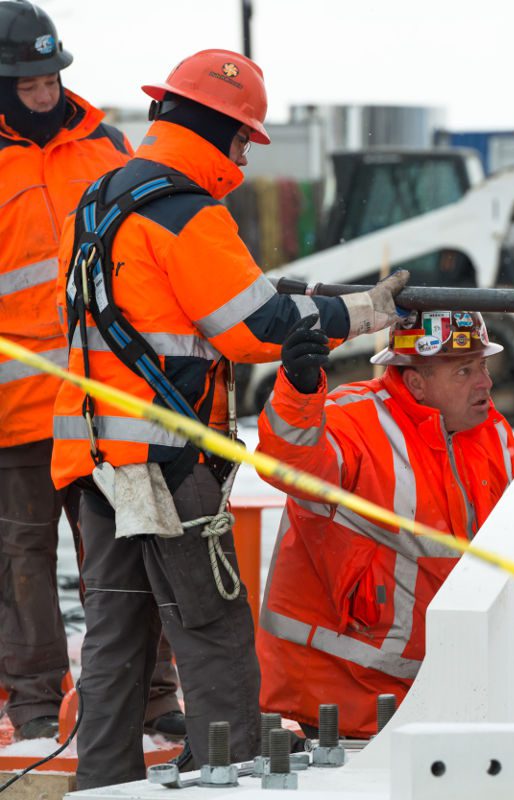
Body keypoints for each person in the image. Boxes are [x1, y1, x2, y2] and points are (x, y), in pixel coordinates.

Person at [49, 49, 409, 788]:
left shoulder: (97, 200)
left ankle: (102, 786)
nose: (246, 154)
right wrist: (363, 312)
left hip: (94, 464)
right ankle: (232, 777)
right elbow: (257, 326)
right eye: (245, 138)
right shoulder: (190, 214)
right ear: (216, 128)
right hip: (168, 469)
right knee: (210, 633)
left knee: (115, 643)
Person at [0, 0, 182, 744]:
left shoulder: (105, 145)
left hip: (102, 401)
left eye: (51, 77)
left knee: (128, 552)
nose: (44, 92)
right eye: (28, 82)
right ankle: (37, 704)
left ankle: (150, 700)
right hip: (14, 415)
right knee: (21, 569)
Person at [255, 310, 514, 738]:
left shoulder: (493, 433)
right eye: (465, 370)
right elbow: (287, 463)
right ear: (416, 381)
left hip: (446, 695)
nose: (485, 383)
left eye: (484, 366)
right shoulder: (355, 420)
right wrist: (299, 390)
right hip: (345, 699)